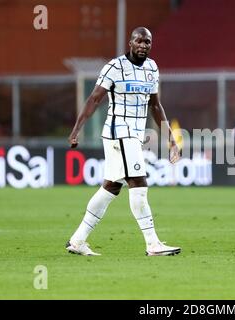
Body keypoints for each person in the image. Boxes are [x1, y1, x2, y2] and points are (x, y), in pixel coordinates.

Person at [66, 27, 181, 256]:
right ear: (130, 43)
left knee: (111, 187)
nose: (143, 45)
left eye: (147, 42)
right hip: (120, 133)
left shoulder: (151, 68)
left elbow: (155, 106)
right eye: (139, 41)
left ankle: (78, 240)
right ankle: (153, 244)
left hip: (134, 136)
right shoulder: (115, 67)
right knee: (139, 183)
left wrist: (171, 139)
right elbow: (94, 99)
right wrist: (76, 129)